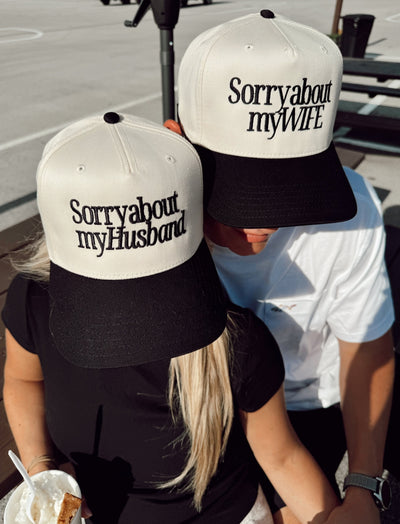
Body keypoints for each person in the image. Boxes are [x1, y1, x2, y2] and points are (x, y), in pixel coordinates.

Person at [2, 112, 340, 523]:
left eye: (158, 283)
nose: (132, 320)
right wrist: (41, 468)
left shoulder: (237, 341)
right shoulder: (34, 300)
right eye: (105, 289)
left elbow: (282, 457)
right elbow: (22, 379)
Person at [175, 10, 395, 524]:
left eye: (294, 188)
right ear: (178, 144)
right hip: (202, 407)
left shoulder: (353, 210)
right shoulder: (155, 214)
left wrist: (363, 487)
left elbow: (367, 346)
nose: (268, 220)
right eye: (244, 189)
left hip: (310, 406)